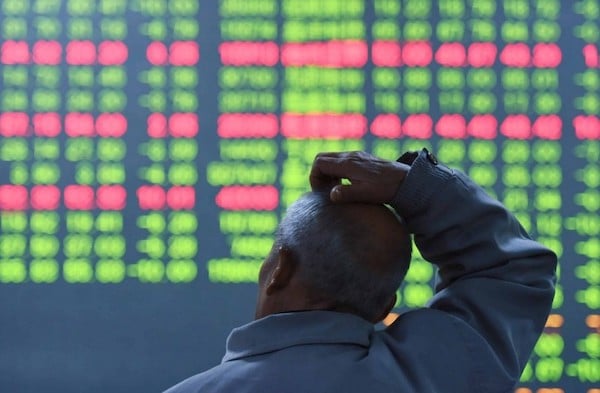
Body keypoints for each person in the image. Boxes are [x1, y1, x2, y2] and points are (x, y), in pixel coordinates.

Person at [165, 149, 557, 393]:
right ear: (384, 305)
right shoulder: (435, 377)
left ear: (279, 268)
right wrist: (419, 187)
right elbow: (511, 270)